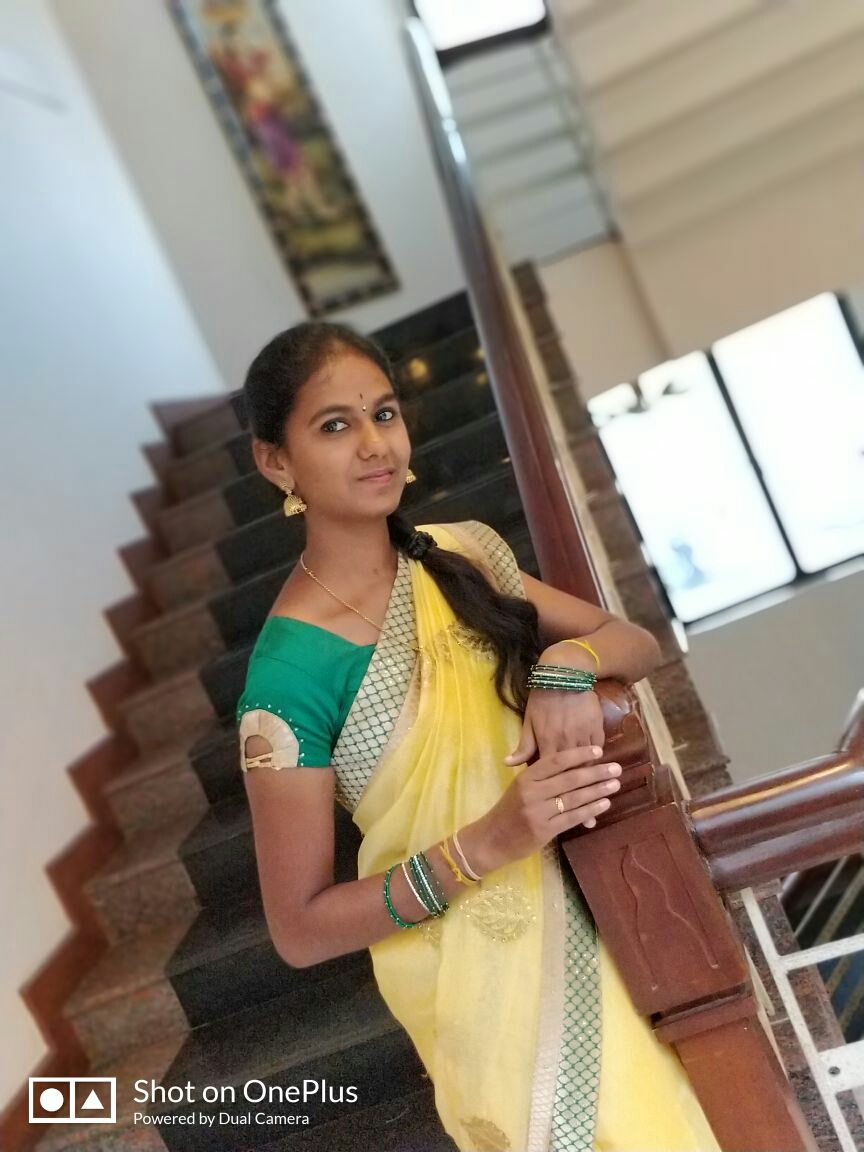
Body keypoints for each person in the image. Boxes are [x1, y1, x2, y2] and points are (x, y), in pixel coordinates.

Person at [235, 321, 720, 1152]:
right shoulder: (288, 675)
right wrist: (489, 842)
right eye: (335, 425)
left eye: (384, 413)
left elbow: (632, 641)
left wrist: (566, 665)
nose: (374, 444)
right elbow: (301, 929)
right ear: (276, 462)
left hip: (608, 906)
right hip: (480, 993)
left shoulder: (463, 554)